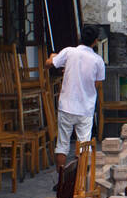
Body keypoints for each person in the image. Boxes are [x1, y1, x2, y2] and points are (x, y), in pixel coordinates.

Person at [46, 25, 107, 169]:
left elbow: (48, 64)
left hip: (66, 106)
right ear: (95, 41)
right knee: (84, 145)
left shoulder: (69, 52)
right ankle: (80, 178)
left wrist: (52, 56)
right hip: (85, 108)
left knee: (62, 144)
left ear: (80, 37)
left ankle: (61, 178)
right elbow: (97, 84)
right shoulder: (98, 61)